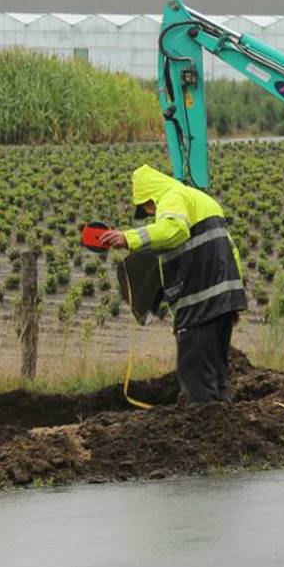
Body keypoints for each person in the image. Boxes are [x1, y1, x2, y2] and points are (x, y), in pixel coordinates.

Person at [100, 165, 247, 404]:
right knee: (217, 377)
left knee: (196, 378)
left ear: (149, 198)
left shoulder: (171, 197)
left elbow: (174, 229)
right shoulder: (201, 200)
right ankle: (224, 432)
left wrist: (129, 237)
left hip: (199, 305)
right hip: (222, 301)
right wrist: (232, 302)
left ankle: (207, 433)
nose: (150, 214)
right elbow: (232, 251)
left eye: (147, 209)